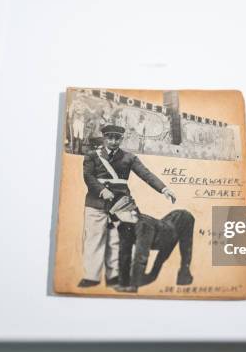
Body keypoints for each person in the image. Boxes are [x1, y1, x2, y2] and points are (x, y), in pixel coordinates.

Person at [77, 124, 176, 288]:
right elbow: (88, 177)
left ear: (121, 139)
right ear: (104, 138)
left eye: (117, 138)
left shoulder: (129, 157)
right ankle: (91, 277)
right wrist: (102, 191)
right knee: (94, 239)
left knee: (118, 240)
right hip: (96, 202)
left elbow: (146, 174)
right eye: (110, 137)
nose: (113, 141)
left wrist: (164, 189)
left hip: (121, 204)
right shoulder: (92, 156)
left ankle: (114, 276)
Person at [107, 195, 194, 293]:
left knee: (184, 250)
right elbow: (124, 255)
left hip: (177, 226)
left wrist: (134, 285)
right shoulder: (123, 226)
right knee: (150, 271)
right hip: (165, 225)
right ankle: (132, 281)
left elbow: (141, 256)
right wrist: (123, 283)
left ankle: (184, 276)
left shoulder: (143, 224)